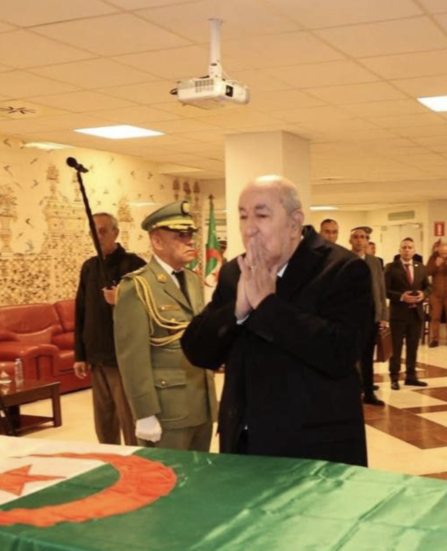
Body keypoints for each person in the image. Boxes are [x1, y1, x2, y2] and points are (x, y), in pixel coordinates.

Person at [182, 175, 371, 465]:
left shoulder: (342, 269)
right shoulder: (235, 272)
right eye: (243, 216)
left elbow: (341, 353)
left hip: (314, 450)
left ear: (295, 223)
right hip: (244, 446)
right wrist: (238, 310)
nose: (249, 229)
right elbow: (197, 351)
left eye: (261, 215)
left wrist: (267, 305)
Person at [114, 201, 217, 451]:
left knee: (199, 472)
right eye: (180, 235)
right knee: (168, 473)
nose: (190, 241)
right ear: (157, 242)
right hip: (167, 408)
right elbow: (132, 358)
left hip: (200, 402)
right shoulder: (137, 287)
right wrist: (144, 413)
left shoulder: (191, 280)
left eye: (190, 234)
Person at [74, 213, 145, 445]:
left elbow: (148, 306)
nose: (98, 236)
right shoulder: (89, 267)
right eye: (93, 232)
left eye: (103, 231)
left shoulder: (135, 265)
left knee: (130, 420)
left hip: (123, 358)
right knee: (104, 422)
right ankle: (109, 458)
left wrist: (122, 297)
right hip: (97, 356)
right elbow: (81, 311)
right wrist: (80, 355)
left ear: (116, 232)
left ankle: (135, 459)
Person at [385, 238, 430, 390]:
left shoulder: (420, 267)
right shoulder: (391, 267)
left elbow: (428, 287)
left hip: (416, 313)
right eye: (404, 247)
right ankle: (394, 378)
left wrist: (424, 294)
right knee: (396, 347)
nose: (407, 250)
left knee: (413, 347)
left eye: (410, 247)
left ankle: (411, 376)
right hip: (398, 314)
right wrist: (401, 296)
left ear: (414, 250)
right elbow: (385, 290)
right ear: (399, 250)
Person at [350, 227, 387, 406]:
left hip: (371, 315)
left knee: (368, 356)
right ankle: (353, 390)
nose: (359, 240)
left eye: (363, 237)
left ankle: (369, 391)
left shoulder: (375, 262)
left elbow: (381, 288)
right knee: (351, 355)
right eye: (356, 237)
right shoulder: (344, 258)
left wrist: (383, 315)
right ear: (351, 240)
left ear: (367, 241)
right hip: (350, 316)